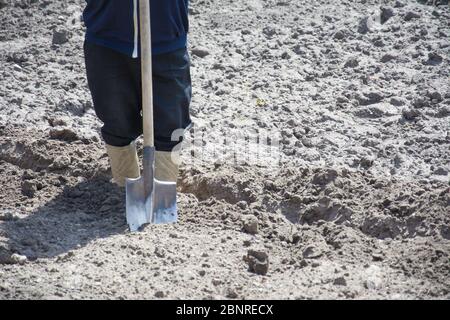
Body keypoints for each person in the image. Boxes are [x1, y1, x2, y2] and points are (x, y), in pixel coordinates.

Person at [82, 0, 191, 186]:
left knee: (171, 121)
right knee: (116, 118)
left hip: (166, 38)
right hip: (107, 36)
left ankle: (164, 193)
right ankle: (125, 189)